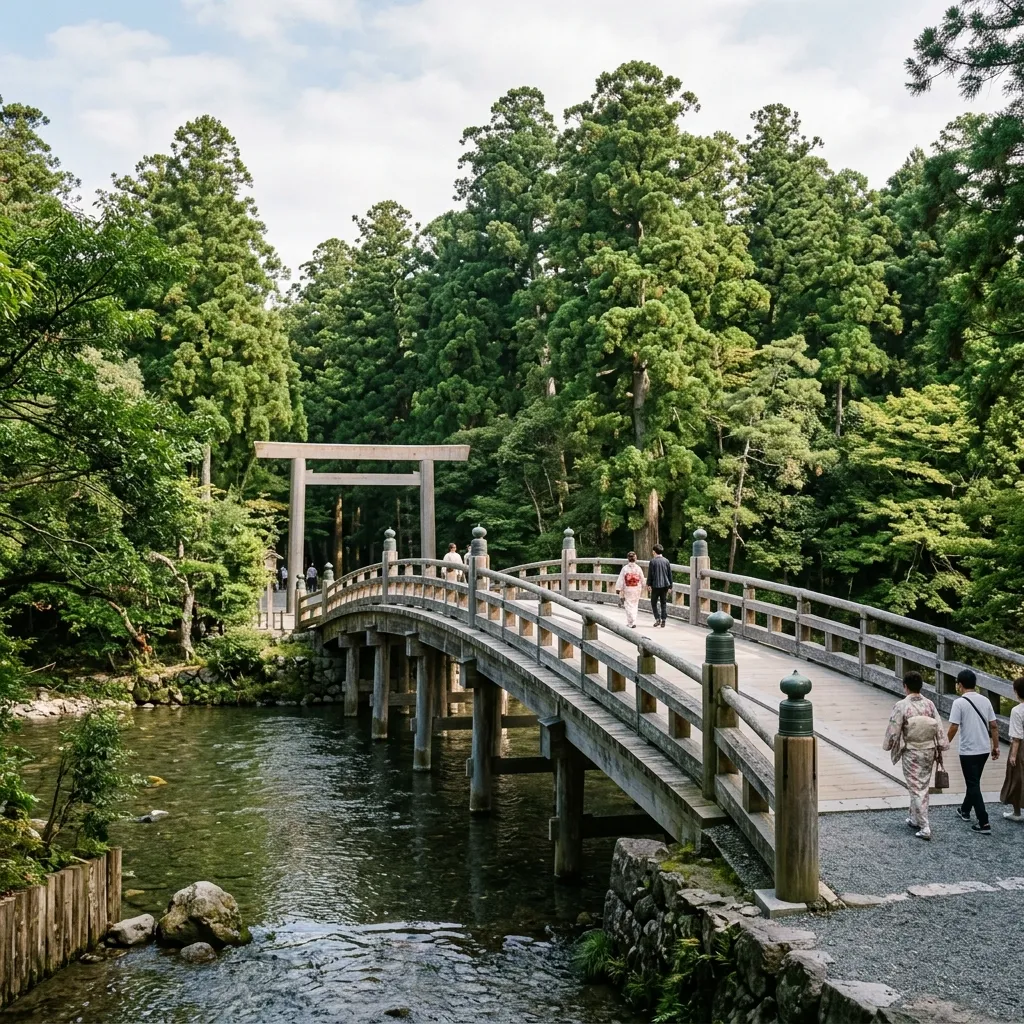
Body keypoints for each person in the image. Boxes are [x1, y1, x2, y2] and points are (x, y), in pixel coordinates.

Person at [883, 671, 948, 841]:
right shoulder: (930, 704)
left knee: (916, 787)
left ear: (905, 686)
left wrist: (889, 744)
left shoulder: (902, 705)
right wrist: (941, 744)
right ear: (921, 686)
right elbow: (938, 727)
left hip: (912, 750)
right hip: (929, 750)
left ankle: (925, 826)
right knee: (921, 785)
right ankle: (914, 818)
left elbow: (894, 729)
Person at [948, 668, 1000, 834]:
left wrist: (944, 743)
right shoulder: (985, 701)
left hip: (968, 750)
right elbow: (993, 725)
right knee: (974, 782)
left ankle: (983, 821)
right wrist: (996, 746)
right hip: (984, 748)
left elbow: (954, 727)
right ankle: (964, 810)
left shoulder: (959, 703)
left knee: (972, 784)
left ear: (960, 685)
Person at [1000, 678, 1024, 822]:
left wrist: (1013, 755)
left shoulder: (1017, 711)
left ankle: (1016, 812)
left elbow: (1016, 737)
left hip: (1021, 748)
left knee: (1016, 778)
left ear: (1016, 692)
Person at [614, 552, 646, 629]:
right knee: (635, 604)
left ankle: (630, 621)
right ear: (636, 559)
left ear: (628, 559)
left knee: (628, 604)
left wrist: (618, 588)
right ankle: (633, 621)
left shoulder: (625, 568)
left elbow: (621, 579)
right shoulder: (638, 568)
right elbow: (642, 579)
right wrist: (644, 586)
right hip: (636, 589)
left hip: (628, 588)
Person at [647, 544, 672, 628]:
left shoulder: (653, 561)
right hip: (665, 585)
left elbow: (650, 574)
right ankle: (664, 620)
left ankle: (657, 618)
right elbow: (669, 575)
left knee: (653, 603)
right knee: (663, 603)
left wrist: (649, 584)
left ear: (654, 552)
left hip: (656, 585)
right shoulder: (666, 561)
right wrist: (670, 586)